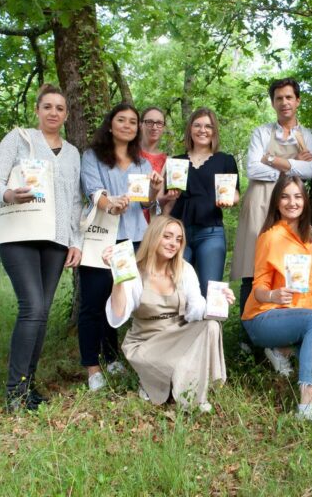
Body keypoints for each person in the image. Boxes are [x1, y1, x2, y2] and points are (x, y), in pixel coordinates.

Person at [0, 83, 83, 411]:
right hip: (20, 235)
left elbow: (74, 201)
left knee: (42, 313)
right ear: (38, 110)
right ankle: (15, 391)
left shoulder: (72, 153)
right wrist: (9, 194)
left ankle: (28, 386)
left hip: (54, 241)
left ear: (66, 115)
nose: (54, 113)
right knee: (33, 308)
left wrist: (75, 241)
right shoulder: (19, 139)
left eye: (60, 108)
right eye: (48, 107)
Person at [241, 175, 312, 425]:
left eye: (297, 196)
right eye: (285, 196)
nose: (292, 202)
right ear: (277, 202)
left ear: (305, 201)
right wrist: (273, 294)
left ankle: (283, 349)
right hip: (265, 316)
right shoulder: (270, 236)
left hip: (307, 317)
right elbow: (258, 285)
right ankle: (308, 401)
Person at [104, 215, 234, 412]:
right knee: (179, 366)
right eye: (167, 236)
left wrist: (218, 302)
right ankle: (158, 379)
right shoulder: (135, 271)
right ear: (153, 237)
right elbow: (117, 317)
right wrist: (118, 279)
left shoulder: (185, 269)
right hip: (147, 342)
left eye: (178, 239)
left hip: (177, 334)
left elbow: (196, 310)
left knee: (212, 325)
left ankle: (192, 394)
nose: (173, 243)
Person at [79, 103, 163, 392]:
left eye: (132, 122)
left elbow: (148, 204)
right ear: (110, 124)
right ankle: (92, 368)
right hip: (102, 238)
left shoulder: (142, 163)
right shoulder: (92, 156)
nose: (127, 125)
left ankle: (113, 357)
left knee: (122, 300)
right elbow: (93, 191)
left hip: (133, 240)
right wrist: (109, 203)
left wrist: (154, 187)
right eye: (121, 120)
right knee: (93, 302)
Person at [231, 77, 312, 316]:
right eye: (279, 98)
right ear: (272, 103)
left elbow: (309, 171)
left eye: (289, 97)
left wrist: (270, 159)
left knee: (288, 263)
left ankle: (282, 326)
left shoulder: (307, 136)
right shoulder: (261, 132)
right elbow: (253, 169)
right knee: (252, 264)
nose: (284, 102)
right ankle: (248, 331)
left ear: (298, 100)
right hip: (260, 200)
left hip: (291, 204)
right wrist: (294, 164)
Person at [168, 107, 240, 296]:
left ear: (214, 131)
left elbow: (235, 194)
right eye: (197, 125)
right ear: (190, 129)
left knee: (211, 291)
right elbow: (165, 200)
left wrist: (229, 200)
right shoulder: (176, 162)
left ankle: (211, 327)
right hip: (178, 233)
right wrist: (168, 195)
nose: (202, 130)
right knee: (177, 290)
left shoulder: (225, 160)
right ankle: (179, 326)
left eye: (208, 126)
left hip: (211, 232)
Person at [138, 106, 180, 223]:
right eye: (149, 122)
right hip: (124, 221)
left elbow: (164, 207)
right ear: (140, 125)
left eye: (159, 123)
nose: (154, 127)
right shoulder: (127, 155)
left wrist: (167, 199)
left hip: (150, 225)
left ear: (163, 127)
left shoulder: (169, 162)